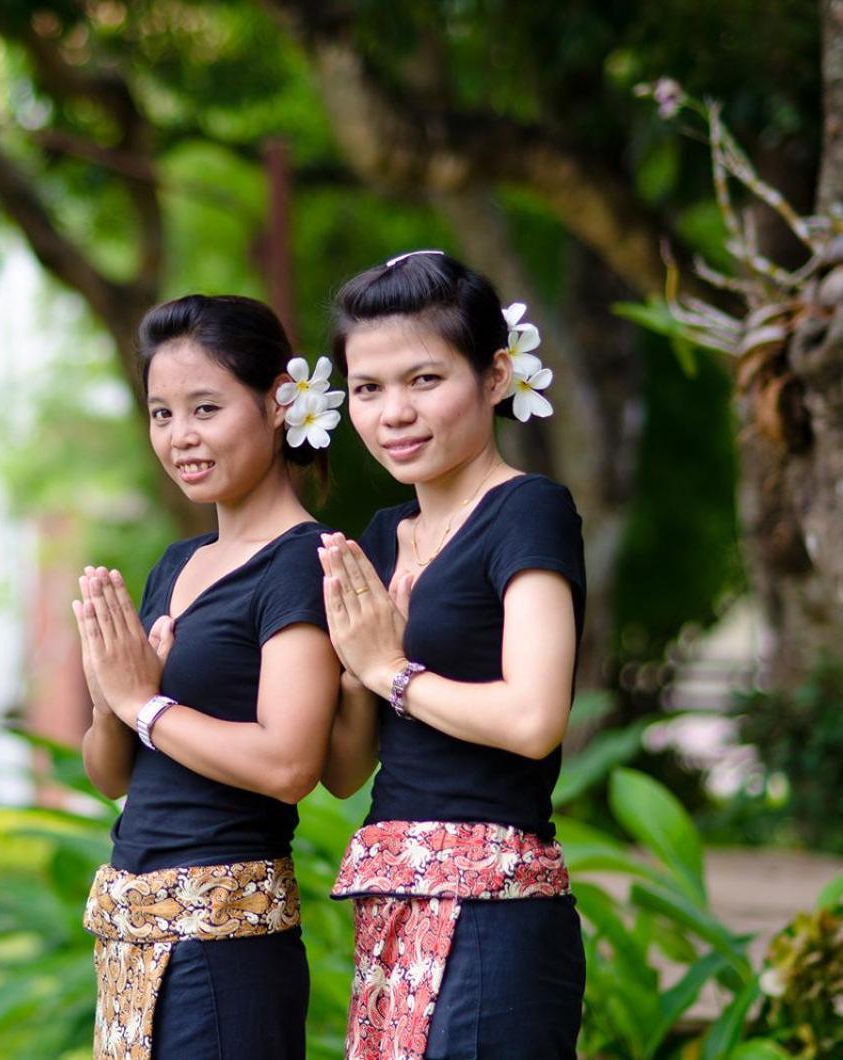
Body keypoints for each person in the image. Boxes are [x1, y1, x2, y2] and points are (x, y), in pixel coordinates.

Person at [315, 250, 585, 1058]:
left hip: (496, 910)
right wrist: (360, 672)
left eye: (424, 380)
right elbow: (344, 769)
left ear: (496, 375)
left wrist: (389, 670)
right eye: (368, 388)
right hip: (391, 893)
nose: (393, 412)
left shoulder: (528, 511)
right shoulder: (379, 539)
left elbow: (533, 718)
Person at [72, 293, 344, 1059]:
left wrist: (143, 701)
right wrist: (108, 704)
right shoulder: (177, 565)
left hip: (224, 949)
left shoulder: (303, 562)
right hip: (133, 935)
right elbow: (111, 776)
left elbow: (291, 765)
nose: (180, 436)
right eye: (162, 414)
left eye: (205, 408)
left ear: (279, 404)